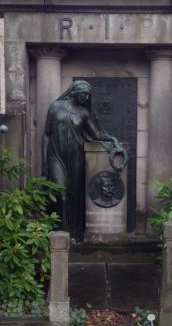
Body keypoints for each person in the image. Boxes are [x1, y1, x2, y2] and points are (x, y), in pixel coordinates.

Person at [42, 80, 124, 241]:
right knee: (60, 193)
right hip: (56, 156)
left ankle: (72, 234)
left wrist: (113, 139)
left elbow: (97, 135)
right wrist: (44, 160)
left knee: (73, 194)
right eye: (84, 94)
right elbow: (46, 134)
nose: (86, 98)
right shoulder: (55, 107)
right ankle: (60, 234)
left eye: (88, 95)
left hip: (75, 157)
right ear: (74, 92)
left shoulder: (83, 113)